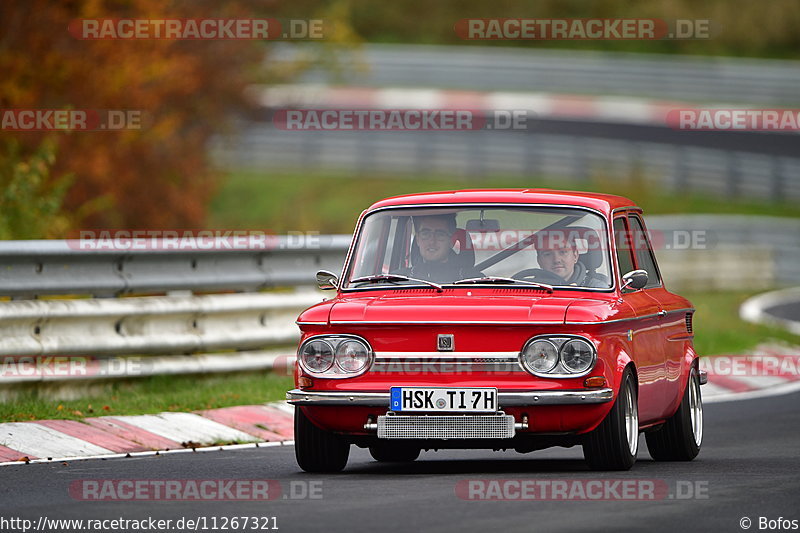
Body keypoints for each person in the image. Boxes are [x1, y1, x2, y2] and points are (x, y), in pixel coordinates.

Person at [400, 213, 483, 283]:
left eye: (440, 234)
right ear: (417, 239)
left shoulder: (475, 282)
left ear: (451, 241)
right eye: (425, 234)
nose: (432, 241)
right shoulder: (398, 280)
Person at [535, 231, 609, 288]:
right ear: (539, 261)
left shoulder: (596, 289)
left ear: (575, 256)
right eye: (548, 254)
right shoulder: (528, 288)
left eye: (563, 252)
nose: (556, 260)